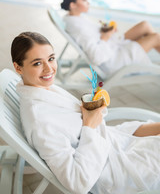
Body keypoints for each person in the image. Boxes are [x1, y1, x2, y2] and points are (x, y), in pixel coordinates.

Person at [11, 32, 160, 194]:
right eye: (37, 63)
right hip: (113, 170)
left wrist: (89, 115)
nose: (49, 68)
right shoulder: (40, 121)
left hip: (112, 142)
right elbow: (78, 182)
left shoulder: (43, 91)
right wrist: (89, 125)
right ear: (18, 67)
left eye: (51, 59)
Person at [61, 0, 160, 76]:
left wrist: (105, 30)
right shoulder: (78, 27)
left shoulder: (76, 18)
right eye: (84, 0)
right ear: (73, 5)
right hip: (113, 61)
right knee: (156, 37)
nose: (88, 2)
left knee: (144, 25)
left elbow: (94, 35)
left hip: (113, 46)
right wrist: (106, 37)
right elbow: (96, 57)